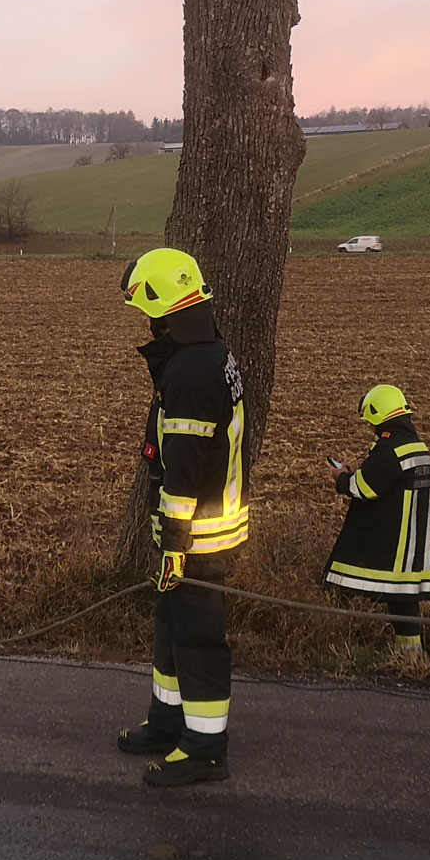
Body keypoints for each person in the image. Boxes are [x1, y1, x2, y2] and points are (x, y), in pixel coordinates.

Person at [116, 247, 248, 787]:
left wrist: (175, 544)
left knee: (197, 640)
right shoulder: (206, 352)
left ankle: (205, 748)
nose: (146, 324)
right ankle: (169, 722)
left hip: (198, 537)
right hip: (194, 533)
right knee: (171, 630)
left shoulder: (192, 370)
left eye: (146, 312)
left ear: (163, 307)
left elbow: (186, 470)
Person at [324, 383, 430, 660]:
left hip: (387, 543)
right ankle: (411, 658)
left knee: (337, 585)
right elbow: (385, 478)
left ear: (378, 416)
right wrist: (359, 471)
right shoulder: (415, 447)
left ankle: (330, 644)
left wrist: (341, 478)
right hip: (412, 549)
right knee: (404, 602)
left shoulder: (391, 450)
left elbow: (364, 488)